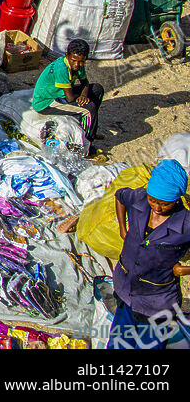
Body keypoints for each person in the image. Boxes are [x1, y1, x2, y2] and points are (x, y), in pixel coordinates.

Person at [108, 160, 190, 348]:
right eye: (153, 200)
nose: (157, 208)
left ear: (177, 199)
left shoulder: (185, 224)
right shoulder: (139, 198)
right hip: (126, 286)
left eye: (165, 204)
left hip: (157, 299)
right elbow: (120, 196)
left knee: (149, 343)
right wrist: (123, 229)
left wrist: (184, 270)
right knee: (120, 339)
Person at [32, 38, 104, 147]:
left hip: (61, 94)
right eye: (74, 60)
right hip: (47, 101)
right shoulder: (62, 68)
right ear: (67, 55)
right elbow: (70, 99)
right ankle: (86, 144)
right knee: (89, 109)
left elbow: (85, 82)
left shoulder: (78, 64)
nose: (77, 64)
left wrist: (83, 95)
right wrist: (82, 100)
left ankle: (89, 128)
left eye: (81, 61)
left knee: (97, 89)